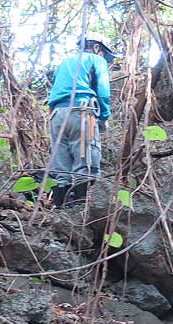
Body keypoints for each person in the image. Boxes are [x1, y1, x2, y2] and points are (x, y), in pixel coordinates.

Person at [47, 32, 115, 207]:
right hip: (82, 111)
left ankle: (61, 211)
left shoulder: (63, 64)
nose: (104, 59)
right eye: (103, 55)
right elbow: (103, 90)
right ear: (96, 47)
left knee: (62, 167)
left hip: (57, 116)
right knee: (86, 162)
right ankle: (82, 211)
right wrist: (104, 116)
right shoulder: (96, 60)